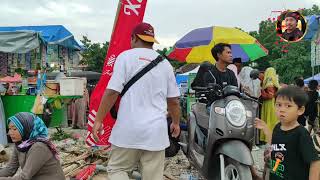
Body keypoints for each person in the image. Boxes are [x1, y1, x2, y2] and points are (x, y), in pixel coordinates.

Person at [92, 22, 181, 180]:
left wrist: (98, 119)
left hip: (127, 130)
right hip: (155, 132)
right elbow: (173, 101)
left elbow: (112, 91)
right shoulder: (165, 64)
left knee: (117, 169)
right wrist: (175, 122)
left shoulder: (125, 57)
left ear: (133, 38)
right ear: (152, 40)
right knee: (153, 176)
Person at [255, 86, 320, 180]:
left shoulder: (301, 134)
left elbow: (315, 162)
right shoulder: (278, 127)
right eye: (278, 105)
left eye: (288, 106)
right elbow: (275, 143)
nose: (282, 109)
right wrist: (265, 128)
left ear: (300, 110)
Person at [0, 112, 65, 180]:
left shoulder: (39, 147)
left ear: (26, 128)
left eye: (14, 129)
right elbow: (10, 169)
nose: (10, 133)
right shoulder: (20, 145)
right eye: (9, 129)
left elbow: (24, 177)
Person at [260, 67, 280, 142]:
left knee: (268, 119)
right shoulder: (273, 83)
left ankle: (267, 136)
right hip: (272, 103)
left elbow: (270, 95)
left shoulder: (267, 83)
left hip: (267, 103)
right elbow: (273, 95)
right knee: (272, 120)